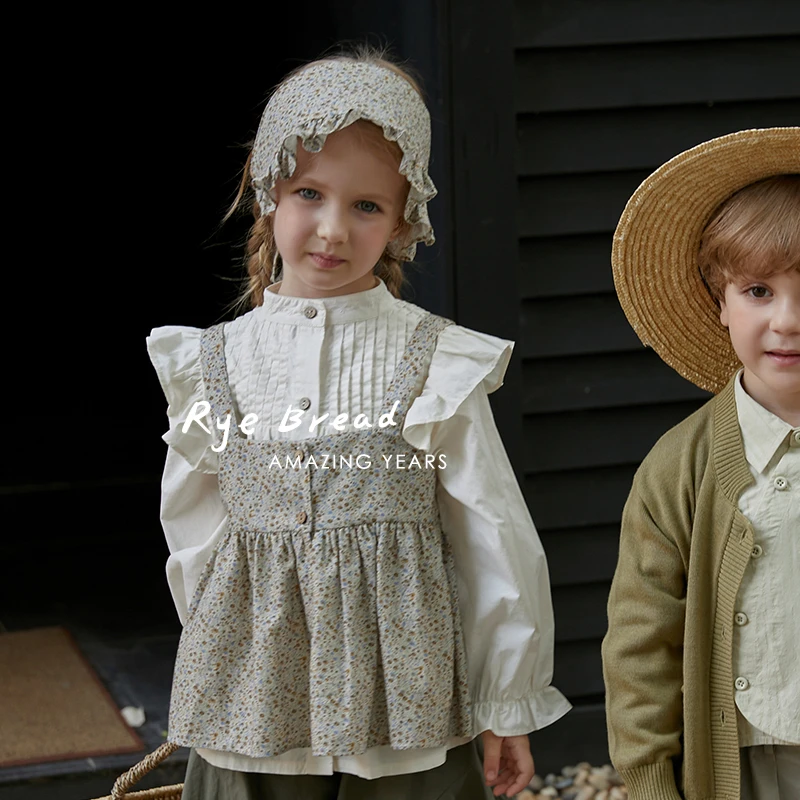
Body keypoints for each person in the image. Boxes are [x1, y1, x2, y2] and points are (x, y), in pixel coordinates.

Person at [146, 45, 570, 800]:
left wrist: (506, 700)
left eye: (367, 205)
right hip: (252, 693)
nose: (333, 229)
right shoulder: (214, 363)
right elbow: (194, 531)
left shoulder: (433, 359)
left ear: (404, 218)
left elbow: (490, 531)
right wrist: (222, 648)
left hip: (406, 700)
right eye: (310, 193)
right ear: (268, 189)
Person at [602, 127, 800, 800]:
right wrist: (651, 777)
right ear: (719, 300)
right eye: (758, 291)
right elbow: (640, 642)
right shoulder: (678, 468)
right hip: (746, 760)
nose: (788, 320)